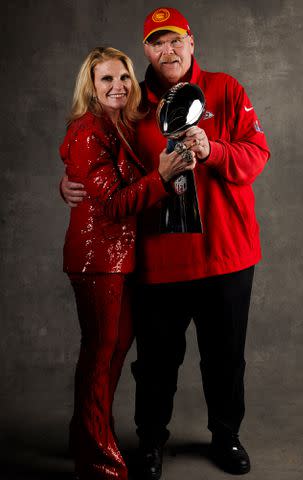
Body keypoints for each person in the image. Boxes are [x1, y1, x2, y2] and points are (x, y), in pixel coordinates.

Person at [61, 7, 271, 479]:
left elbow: (257, 155)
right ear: (146, 51)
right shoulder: (131, 104)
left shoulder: (226, 89)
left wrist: (212, 149)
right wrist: (68, 183)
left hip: (226, 254)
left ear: (191, 42)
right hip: (158, 259)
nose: (168, 50)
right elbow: (97, 163)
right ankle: (151, 441)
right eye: (157, 43)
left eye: (176, 40)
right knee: (155, 363)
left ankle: (226, 435)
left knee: (226, 359)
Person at [59, 45, 196, 480]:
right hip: (98, 258)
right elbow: (114, 204)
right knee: (101, 356)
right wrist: (162, 177)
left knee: (110, 355)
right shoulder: (89, 128)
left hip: (120, 258)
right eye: (106, 80)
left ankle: (87, 438)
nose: (117, 86)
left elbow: (111, 187)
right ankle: (99, 462)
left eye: (123, 77)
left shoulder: (120, 123)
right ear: (91, 86)